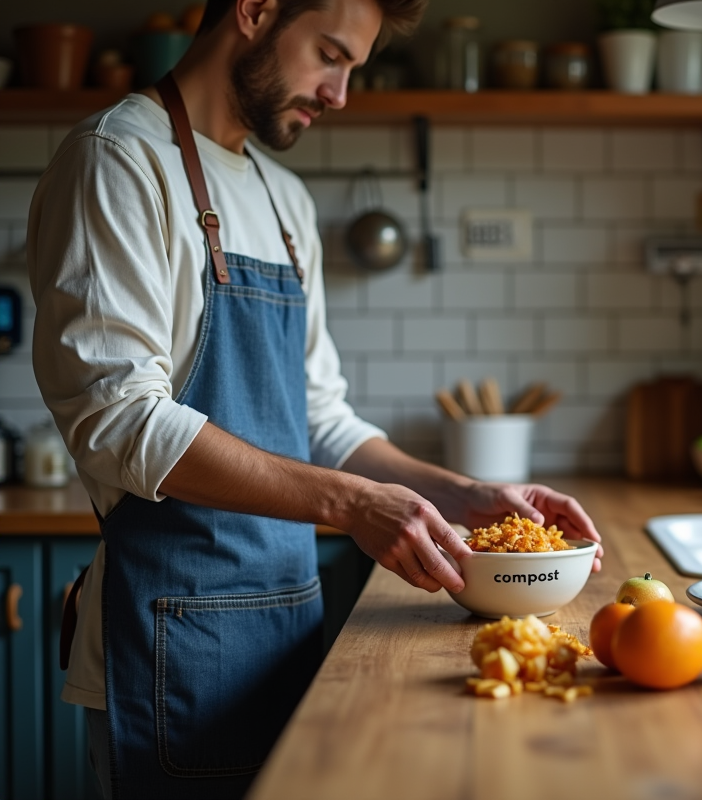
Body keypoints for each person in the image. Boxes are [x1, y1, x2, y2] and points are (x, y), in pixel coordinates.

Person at [26, 1, 603, 797]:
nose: (338, 94)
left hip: (288, 636)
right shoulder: (118, 160)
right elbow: (120, 420)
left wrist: (463, 495)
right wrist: (354, 505)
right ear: (256, 11)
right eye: (329, 55)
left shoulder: (286, 202)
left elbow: (320, 419)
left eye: (353, 69)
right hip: (171, 652)